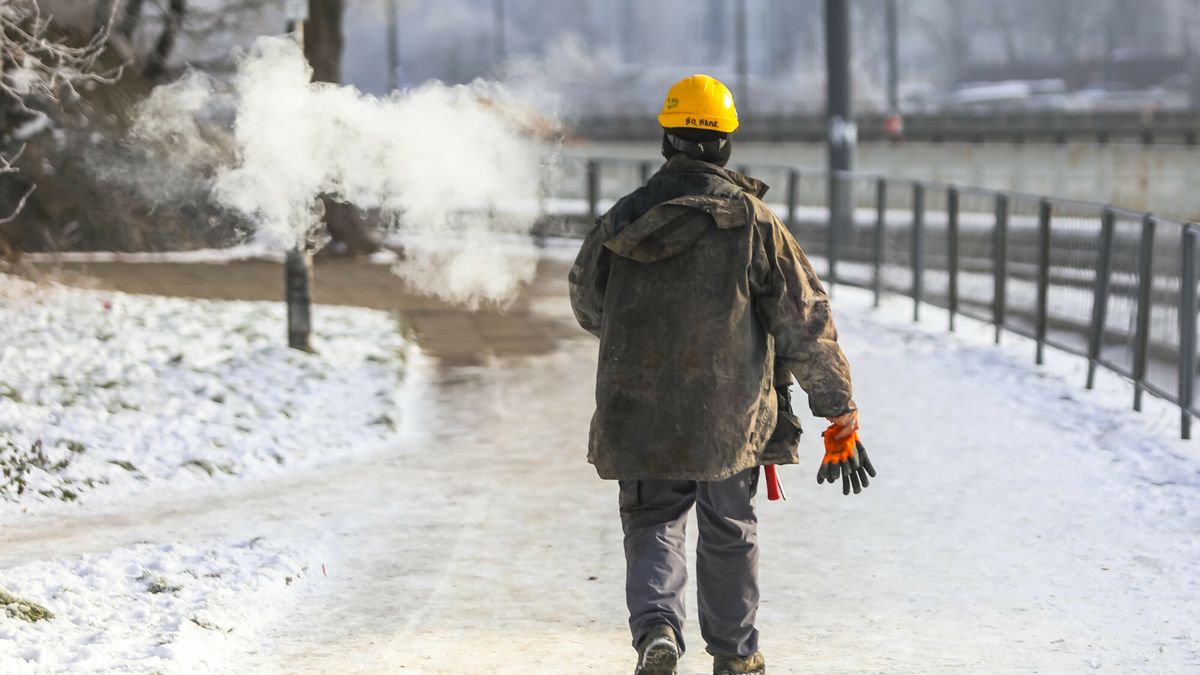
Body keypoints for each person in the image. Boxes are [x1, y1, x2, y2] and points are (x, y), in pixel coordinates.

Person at [569, 74, 872, 675]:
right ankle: (735, 657)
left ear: (666, 140)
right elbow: (804, 321)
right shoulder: (754, 223)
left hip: (640, 409)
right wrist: (838, 410)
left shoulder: (623, 219)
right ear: (726, 145)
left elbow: (587, 303)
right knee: (729, 527)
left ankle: (657, 627)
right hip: (731, 416)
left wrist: (644, 341)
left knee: (653, 520)